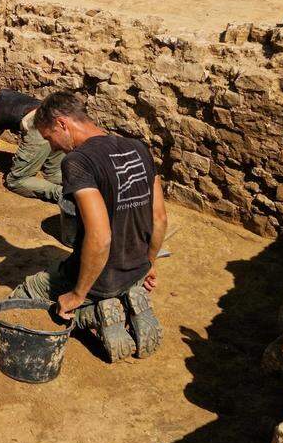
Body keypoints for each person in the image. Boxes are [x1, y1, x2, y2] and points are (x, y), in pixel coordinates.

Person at [9, 91, 167, 361]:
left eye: (49, 138)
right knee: (107, 281)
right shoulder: (139, 148)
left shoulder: (78, 162)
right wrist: (149, 264)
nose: (53, 148)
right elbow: (160, 218)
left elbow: (101, 236)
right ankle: (127, 298)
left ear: (62, 124)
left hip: (101, 281)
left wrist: (77, 293)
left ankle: (93, 314)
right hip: (138, 270)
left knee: (25, 297)